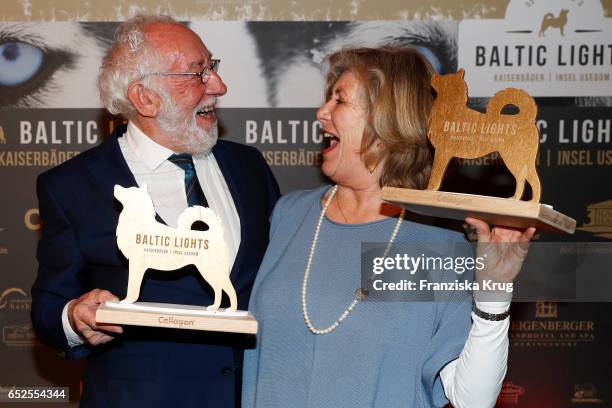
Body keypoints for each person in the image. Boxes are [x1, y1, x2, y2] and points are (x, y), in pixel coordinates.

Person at [242, 47, 535, 408]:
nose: (321, 113)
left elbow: (471, 399)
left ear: (387, 121)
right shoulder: (290, 214)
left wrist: (495, 291)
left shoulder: (435, 244)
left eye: (340, 100)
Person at [30, 14, 280, 408]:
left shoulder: (249, 168)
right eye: (198, 73)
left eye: (212, 68)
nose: (219, 86)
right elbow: (48, 305)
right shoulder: (72, 186)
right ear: (144, 97)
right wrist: (75, 318)